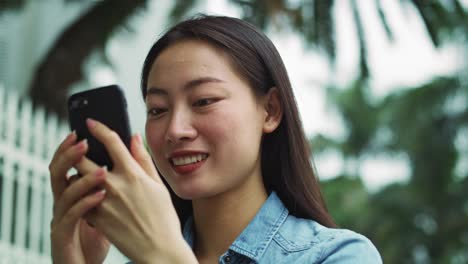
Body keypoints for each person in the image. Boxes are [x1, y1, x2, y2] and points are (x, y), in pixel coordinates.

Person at [48, 15, 382, 263]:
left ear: (270, 110)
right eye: (158, 110)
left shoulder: (338, 256)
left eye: (204, 101)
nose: (176, 129)